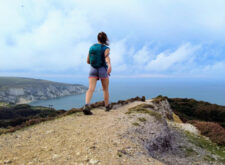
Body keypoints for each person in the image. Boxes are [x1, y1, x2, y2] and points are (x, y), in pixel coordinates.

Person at [83, 32, 112, 115]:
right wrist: (109, 65)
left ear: (97, 39)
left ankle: (86, 106)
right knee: (105, 89)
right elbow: (107, 58)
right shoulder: (106, 48)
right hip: (102, 69)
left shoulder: (91, 47)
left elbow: (88, 61)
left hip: (92, 69)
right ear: (105, 39)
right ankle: (107, 106)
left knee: (91, 88)